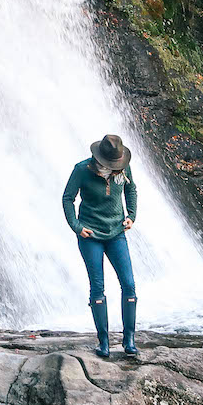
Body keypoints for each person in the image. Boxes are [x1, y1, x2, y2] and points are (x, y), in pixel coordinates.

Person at [61, 134, 138, 358]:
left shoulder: (123, 168)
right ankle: (103, 341)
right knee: (97, 287)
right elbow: (68, 198)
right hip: (90, 235)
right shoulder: (82, 170)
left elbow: (131, 189)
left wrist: (132, 215)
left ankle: (129, 339)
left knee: (129, 284)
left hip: (116, 233)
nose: (115, 169)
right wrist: (76, 226)